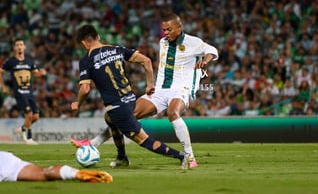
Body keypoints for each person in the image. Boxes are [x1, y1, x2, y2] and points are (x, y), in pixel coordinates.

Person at [71, 14, 218, 168]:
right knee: (127, 116)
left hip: (181, 88)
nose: (166, 33)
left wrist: (205, 61)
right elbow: (148, 61)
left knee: (172, 113)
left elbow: (212, 50)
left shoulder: (193, 42)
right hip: (160, 90)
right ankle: (95, 144)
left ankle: (189, 156)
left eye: (169, 29)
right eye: (164, 30)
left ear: (179, 28)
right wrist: (150, 84)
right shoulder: (163, 42)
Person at [0, 38, 46, 144]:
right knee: (28, 115)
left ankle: (23, 129)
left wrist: (41, 73)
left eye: (21, 44)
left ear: (24, 47)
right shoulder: (11, 61)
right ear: (14, 48)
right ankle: (28, 138)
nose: (19, 46)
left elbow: (35, 74)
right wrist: (4, 87)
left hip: (29, 92)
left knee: (36, 116)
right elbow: (0, 72)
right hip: (19, 92)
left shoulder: (29, 60)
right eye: (17, 45)